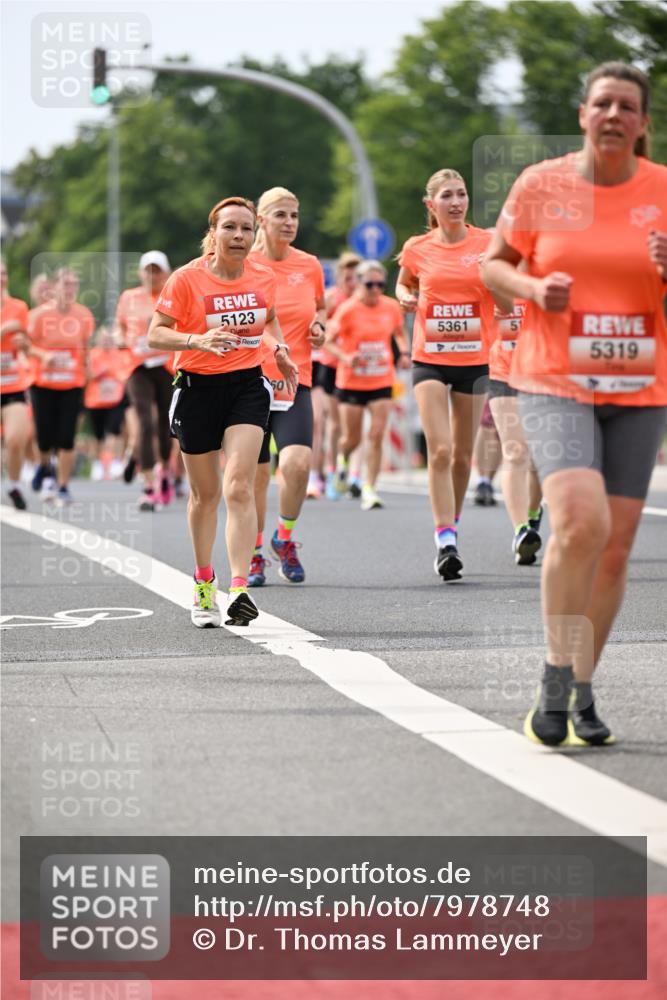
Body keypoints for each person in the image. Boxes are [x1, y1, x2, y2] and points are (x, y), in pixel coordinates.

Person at [481, 61, 667, 746]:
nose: (613, 114)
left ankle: (583, 687)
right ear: (583, 114)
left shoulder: (662, 190)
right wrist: (530, 291)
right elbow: (493, 263)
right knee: (579, 521)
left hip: (640, 385)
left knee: (615, 550)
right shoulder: (542, 185)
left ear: (643, 123)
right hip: (553, 376)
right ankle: (553, 682)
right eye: (601, 104)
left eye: (627, 106)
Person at [147, 196, 298, 628]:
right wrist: (197, 340)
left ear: (255, 235)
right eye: (229, 228)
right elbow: (155, 334)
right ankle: (202, 582)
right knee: (205, 495)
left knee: (239, 486)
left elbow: (268, 320)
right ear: (213, 234)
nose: (238, 236)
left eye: (246, 229)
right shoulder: (186, 280)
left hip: (248, 388)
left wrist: (280, 348)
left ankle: (239, 590)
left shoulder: (263, 275)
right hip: (196, 390)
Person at [396, 169, 512, 580]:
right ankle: (444, 539)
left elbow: (506, 303)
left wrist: (490, 277)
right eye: (447, 195)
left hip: (475, 360)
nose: (457, 201)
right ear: (432, 205)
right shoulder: (417, 247)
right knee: (440, 449)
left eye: (462, 194)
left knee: (464, 455)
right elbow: (404, 282)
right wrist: (406, 297)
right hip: (429, 357)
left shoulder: (486, 244)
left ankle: (452, 527)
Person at [246, 187, 326, 586]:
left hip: (295, 379)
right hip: (247, 381)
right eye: (280, 215)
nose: (289, 223)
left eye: (294, 215)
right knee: (256, 475)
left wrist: (319, 326)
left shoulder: (309, 265)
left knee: (296, 464)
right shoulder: (243, 264)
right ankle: (255, 551)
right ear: (261, 219)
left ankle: (285, 538)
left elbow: (321, 306)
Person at [325, 259, 410, 510]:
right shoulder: (347, 310)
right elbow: (328, 341)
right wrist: (345, 357)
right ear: (359, 283)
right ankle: (342, 462)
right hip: (351, 381)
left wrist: (403, 353)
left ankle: (369, 487)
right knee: (351, 438)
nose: (375, 289)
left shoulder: (391, 307)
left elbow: (399, 332)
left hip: (381, 378)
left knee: (376, 435)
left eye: (380, 284)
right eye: (370, 284)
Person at [27, 268, 94, 503]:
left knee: (66, 437)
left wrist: (88, 365)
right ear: (54, 287)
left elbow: (85, 346)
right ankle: (45, 469)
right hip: (43, 382)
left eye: (74, 284)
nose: (70, 289)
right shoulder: (38, 316)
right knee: (45, 437)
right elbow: (25, 345)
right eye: (65, 284)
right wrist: (43, 355)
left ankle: (63, 485)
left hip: (72, 383)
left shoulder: (83, 315)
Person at [115, 251, 174, 510]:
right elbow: (119, 326)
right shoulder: (129, 297)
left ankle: (163, 472)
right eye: (148, 270)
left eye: (157, 270)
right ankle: (148, 484)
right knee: (145, 422)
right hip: (137, 366)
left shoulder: (173, 294)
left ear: (166, 272)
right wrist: (119, 338)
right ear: (140, 273)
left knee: (165, 424)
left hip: (167, 366)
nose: (152, 275)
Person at [487, 299, 544, 564]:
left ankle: (533, 514)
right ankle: (521, 530)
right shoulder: (490, 267)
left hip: (543, 372)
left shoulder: (546, 267)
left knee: (538, 456)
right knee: (515, 451)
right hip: (503, 371)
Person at [309, 251, 361, 499]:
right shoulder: (331, 299)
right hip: (326, 365)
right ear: (340, 277)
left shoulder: (365, 301)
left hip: (354, 367)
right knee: (325, 422)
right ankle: (324, 474)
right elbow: (318, 331)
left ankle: (350, 474)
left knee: (352, 425)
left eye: (356, 278)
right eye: (348, 278)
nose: (353, 284)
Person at [0, 261, 32, 509]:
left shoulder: (19, 307)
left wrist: (23, 342)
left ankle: (14, 485)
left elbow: (26, 342)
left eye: (3, 273)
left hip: (12, 383)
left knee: (15, 439)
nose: (1, 278)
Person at [84, 326, 132, 480]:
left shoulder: (118, 355)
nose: (106, 341)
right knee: (97, 436)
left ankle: (115, 463)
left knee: (114, 432)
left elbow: (125, 374)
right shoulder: (92, 355)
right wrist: (100, 372)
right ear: (98, 340)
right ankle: (98, 464)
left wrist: (117, 375)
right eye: (103, 339)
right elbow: (86, 376)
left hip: (115, 400)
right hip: (95, 401)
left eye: (108, 339)